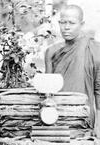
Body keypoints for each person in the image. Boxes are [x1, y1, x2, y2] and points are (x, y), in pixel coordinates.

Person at [45, 4, 100, 137]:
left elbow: (98, 89)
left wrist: (99, 123)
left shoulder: (94, 50)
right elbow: (47, 91)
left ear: (82, 24)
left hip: (84, 118)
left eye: (72, 23)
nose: (66, 27)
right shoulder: (52, 52)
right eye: (63, 22)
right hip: (57, 117)